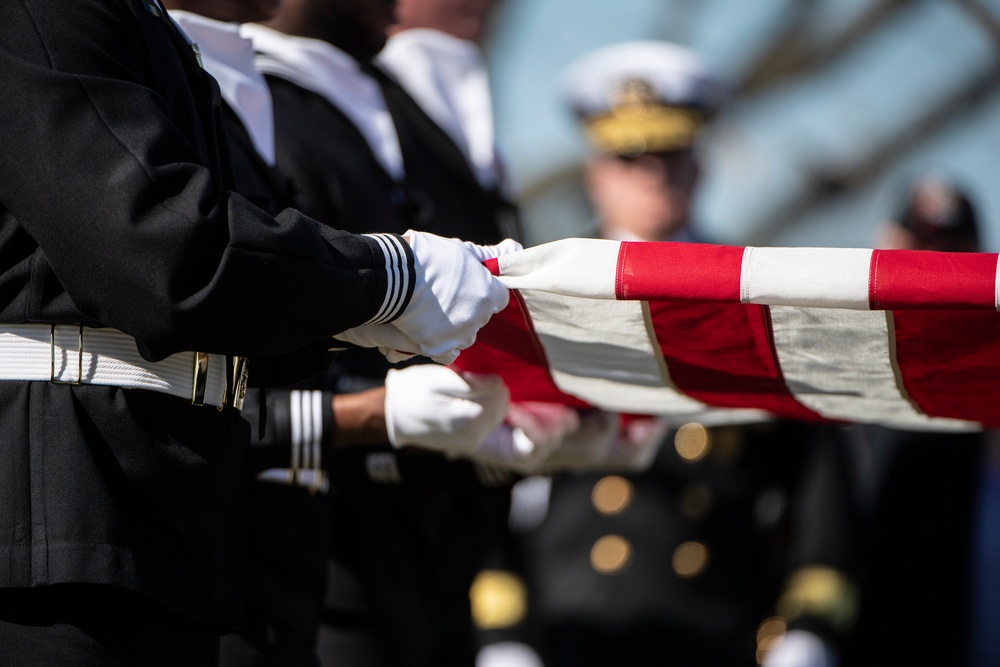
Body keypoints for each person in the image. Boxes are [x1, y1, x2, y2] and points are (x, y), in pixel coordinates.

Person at [0, 1, 514, 664]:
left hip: (152, 516)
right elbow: (167, 254)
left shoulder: (149, 30)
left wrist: (367, 316)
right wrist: (389, 277)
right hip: (58, 510)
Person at [511, 41, 863, 667]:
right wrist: (502, 638)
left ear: (700, 164)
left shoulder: (762, 302)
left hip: (717, 635)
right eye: (629, 156)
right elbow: (489, 482)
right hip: (568, 632)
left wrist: (807, 631)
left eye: (670, 153)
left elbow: (819, 490)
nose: (652, 173)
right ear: (595, 172)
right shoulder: (543, 299)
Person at [240, 2, 531, 665]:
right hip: (309, 559)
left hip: (433, 554)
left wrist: (509, 435)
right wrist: (371, 415)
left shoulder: (406, 112)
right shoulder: (235, 95)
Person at [843, 174, 999, 667]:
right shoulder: (842, 386)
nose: (934, 273)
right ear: (886, 247)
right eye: (919, 250)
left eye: (954, 253)